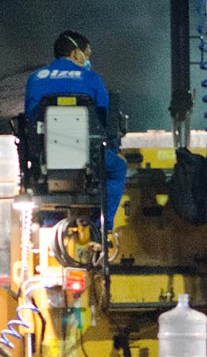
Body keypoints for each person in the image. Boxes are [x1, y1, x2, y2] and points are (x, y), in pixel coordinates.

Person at [23, 30, 128, 229]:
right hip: (87, 159)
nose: (87, 59)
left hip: (45, 160)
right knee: (118, 168)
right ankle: (101, 226)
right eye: (86, 54)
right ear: (75, 52)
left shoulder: (35, 78)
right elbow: (106, 120)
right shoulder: (91, 79)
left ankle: (50, 222)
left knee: (39, 181)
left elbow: (30, 118)